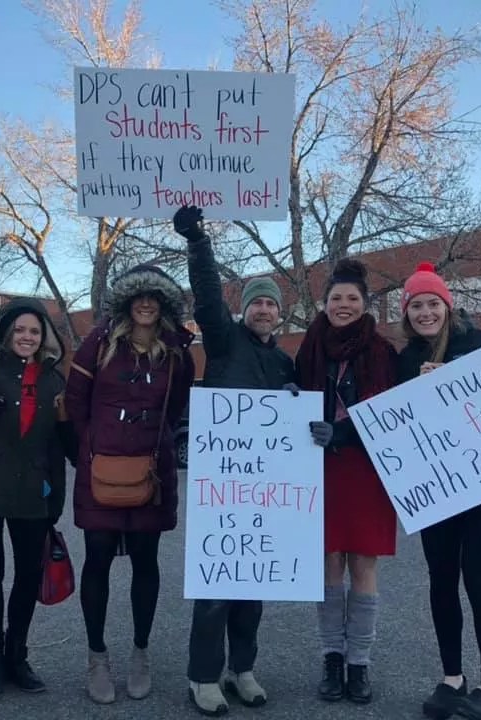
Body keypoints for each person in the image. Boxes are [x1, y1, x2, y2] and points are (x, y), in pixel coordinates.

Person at [173, 204, 297, 716]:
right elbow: (205, 296)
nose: (264, 310)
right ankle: (203, 676)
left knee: (255, 584)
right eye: (256, 303)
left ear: (280, 313)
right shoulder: (223, 343)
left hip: (267, 491)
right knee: (217, 583)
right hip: (222, 485)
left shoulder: (286, 362)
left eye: (271, 303)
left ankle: (241, 669)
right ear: (245, 310)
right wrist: (197, 241)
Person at [64, 264, 195, 705]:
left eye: (155, 298)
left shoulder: (178, 352)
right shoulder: (98, 344)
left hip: (151, 470)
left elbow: (177, 409)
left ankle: (141, 652)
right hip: (101, 467)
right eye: (139, 296)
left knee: (146, 559)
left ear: (164, 305)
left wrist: (150, 442)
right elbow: (76, 401)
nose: (146, 304)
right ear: (125, 301)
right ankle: (96, 656)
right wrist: (93, 444)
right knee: (97, 558)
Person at [397, 262, 481, 720]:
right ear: (407, 313)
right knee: (441, 581)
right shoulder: (406, 359)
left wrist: (446, 383)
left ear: (447, 305)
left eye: (432, 303)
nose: (425, 312)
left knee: (479, 580)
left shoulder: (479, 343)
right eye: (416, 306)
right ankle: (452, 679)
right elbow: (395, 421)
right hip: (437, 487)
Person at [295, 258, 398, 705]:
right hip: (321, 467)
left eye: (352, 298)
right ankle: (331, 658)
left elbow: (390, 413)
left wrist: (343, 431)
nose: (343, 305)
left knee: (363, 566)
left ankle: (359, 663)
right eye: (336, 298)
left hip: (367, 469)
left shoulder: (382, 351)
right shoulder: (310, 345)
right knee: (329, 564)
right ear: (325, 303)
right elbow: (297, 388)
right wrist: (287, 395)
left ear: (365, 304)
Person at [0, 297, 77, 701]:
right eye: (19, 330)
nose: (26, 337)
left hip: (35, 492)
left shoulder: (55, 382)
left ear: (44, 336)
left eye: (34, 331)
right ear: (5, 334)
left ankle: (17, 654)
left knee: (29, 576)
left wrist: (59, 498)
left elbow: (62, 446)